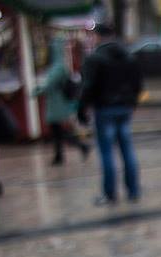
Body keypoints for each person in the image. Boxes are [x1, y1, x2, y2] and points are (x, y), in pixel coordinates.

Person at [78, 22, 143, 204]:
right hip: (124, 107)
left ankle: (110, 193)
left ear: (98, 36)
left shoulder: (95, 59)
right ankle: (133, 190)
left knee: (107, 152)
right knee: (127, 149)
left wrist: (82, 109)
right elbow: (138, 84)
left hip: (104, 108)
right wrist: (132, 102)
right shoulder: (128, 56)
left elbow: (88, 86)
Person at [33, 36, 90, 166]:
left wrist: (37, 91)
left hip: (57, 103)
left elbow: (50, 84)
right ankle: (61, 155)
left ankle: (78, 147)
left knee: (59, 130)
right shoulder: (58, 66)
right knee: (57, 130)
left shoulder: (58, 67)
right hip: (56, 102)